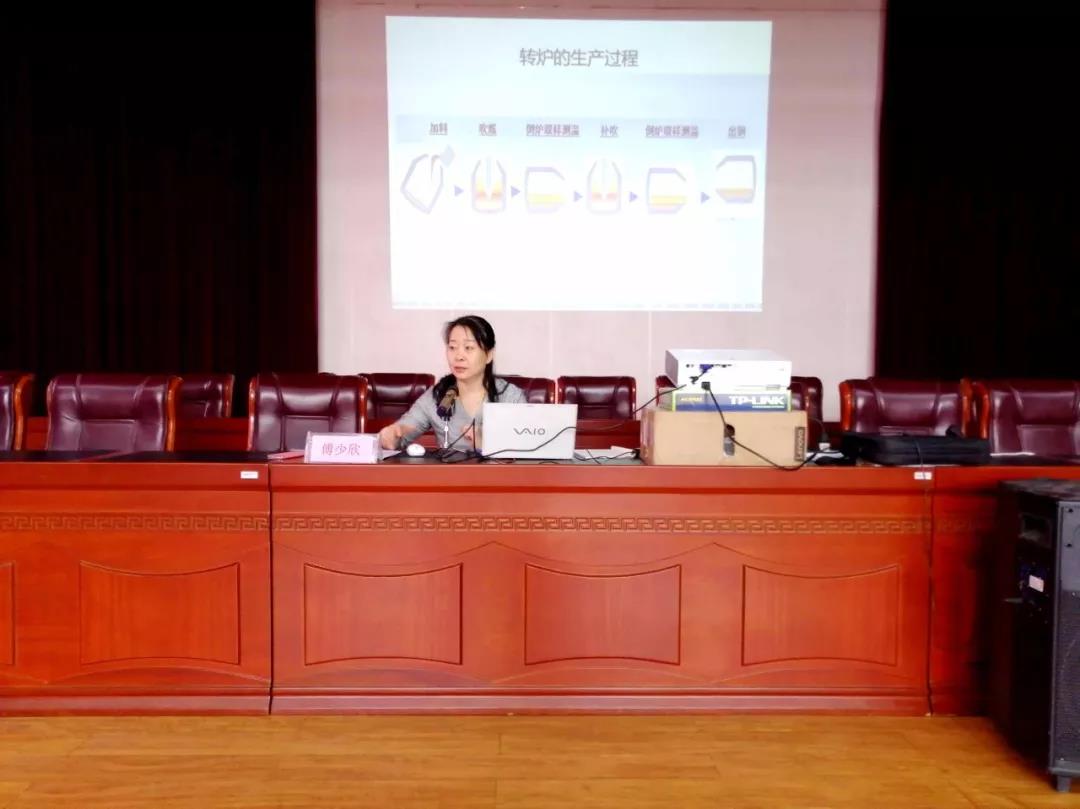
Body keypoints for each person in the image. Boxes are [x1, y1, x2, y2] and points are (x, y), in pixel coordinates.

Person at [378, 315, 526, 452]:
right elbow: (401, 433)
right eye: (452, 347)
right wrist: (392, 436)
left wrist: (485, 444)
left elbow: (526, 450)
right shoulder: (437, 396)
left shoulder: (510, 397)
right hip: (448, 473)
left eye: (468, 348)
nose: (458, 356)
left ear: (488, 355)